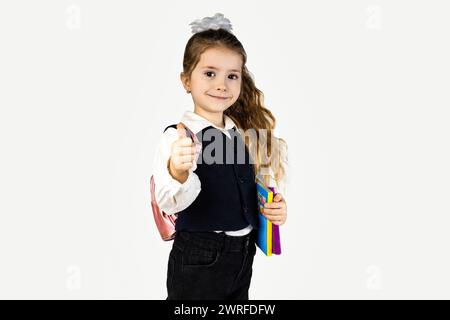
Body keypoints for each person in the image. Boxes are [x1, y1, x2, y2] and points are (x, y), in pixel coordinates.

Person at [152, 13, 289, 300]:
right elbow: (167, 200)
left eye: (232, 76)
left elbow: (251, 189)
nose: (222, 84)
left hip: (242, 254)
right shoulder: (178, 137)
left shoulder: (241, 134)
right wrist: (178, 170)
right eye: (210, 73)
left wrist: (273, 209)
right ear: (186, 81)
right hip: (199, 255)